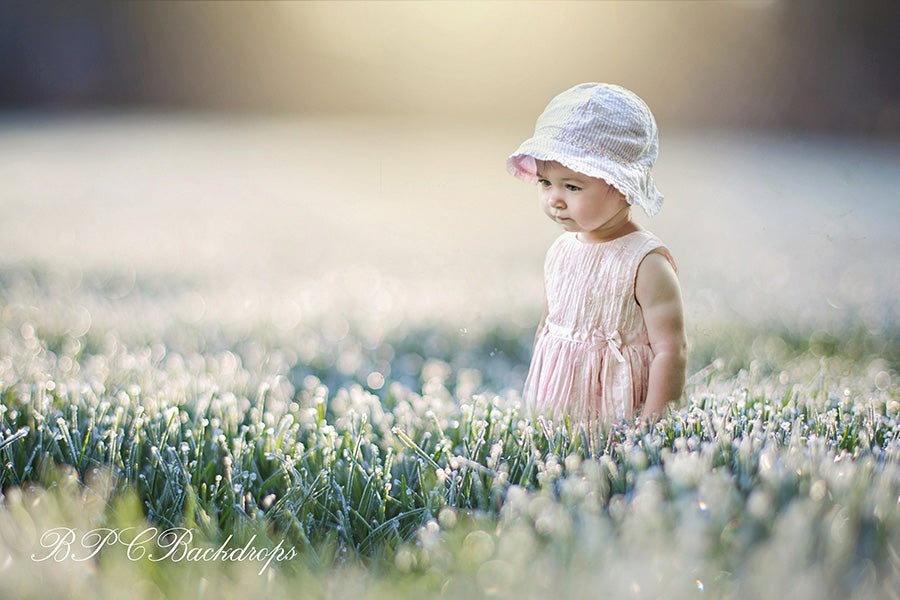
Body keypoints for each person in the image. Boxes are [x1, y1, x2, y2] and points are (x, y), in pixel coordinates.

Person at [507, 83, 686, 425]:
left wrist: (651, 425)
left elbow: (671, 350)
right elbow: (548, 329)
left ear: (621, 187)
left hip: (618, 412)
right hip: (561, 409)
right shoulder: (560, 251)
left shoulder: (646, 263)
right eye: (545, 183)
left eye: (572, 186)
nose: (554, 199)